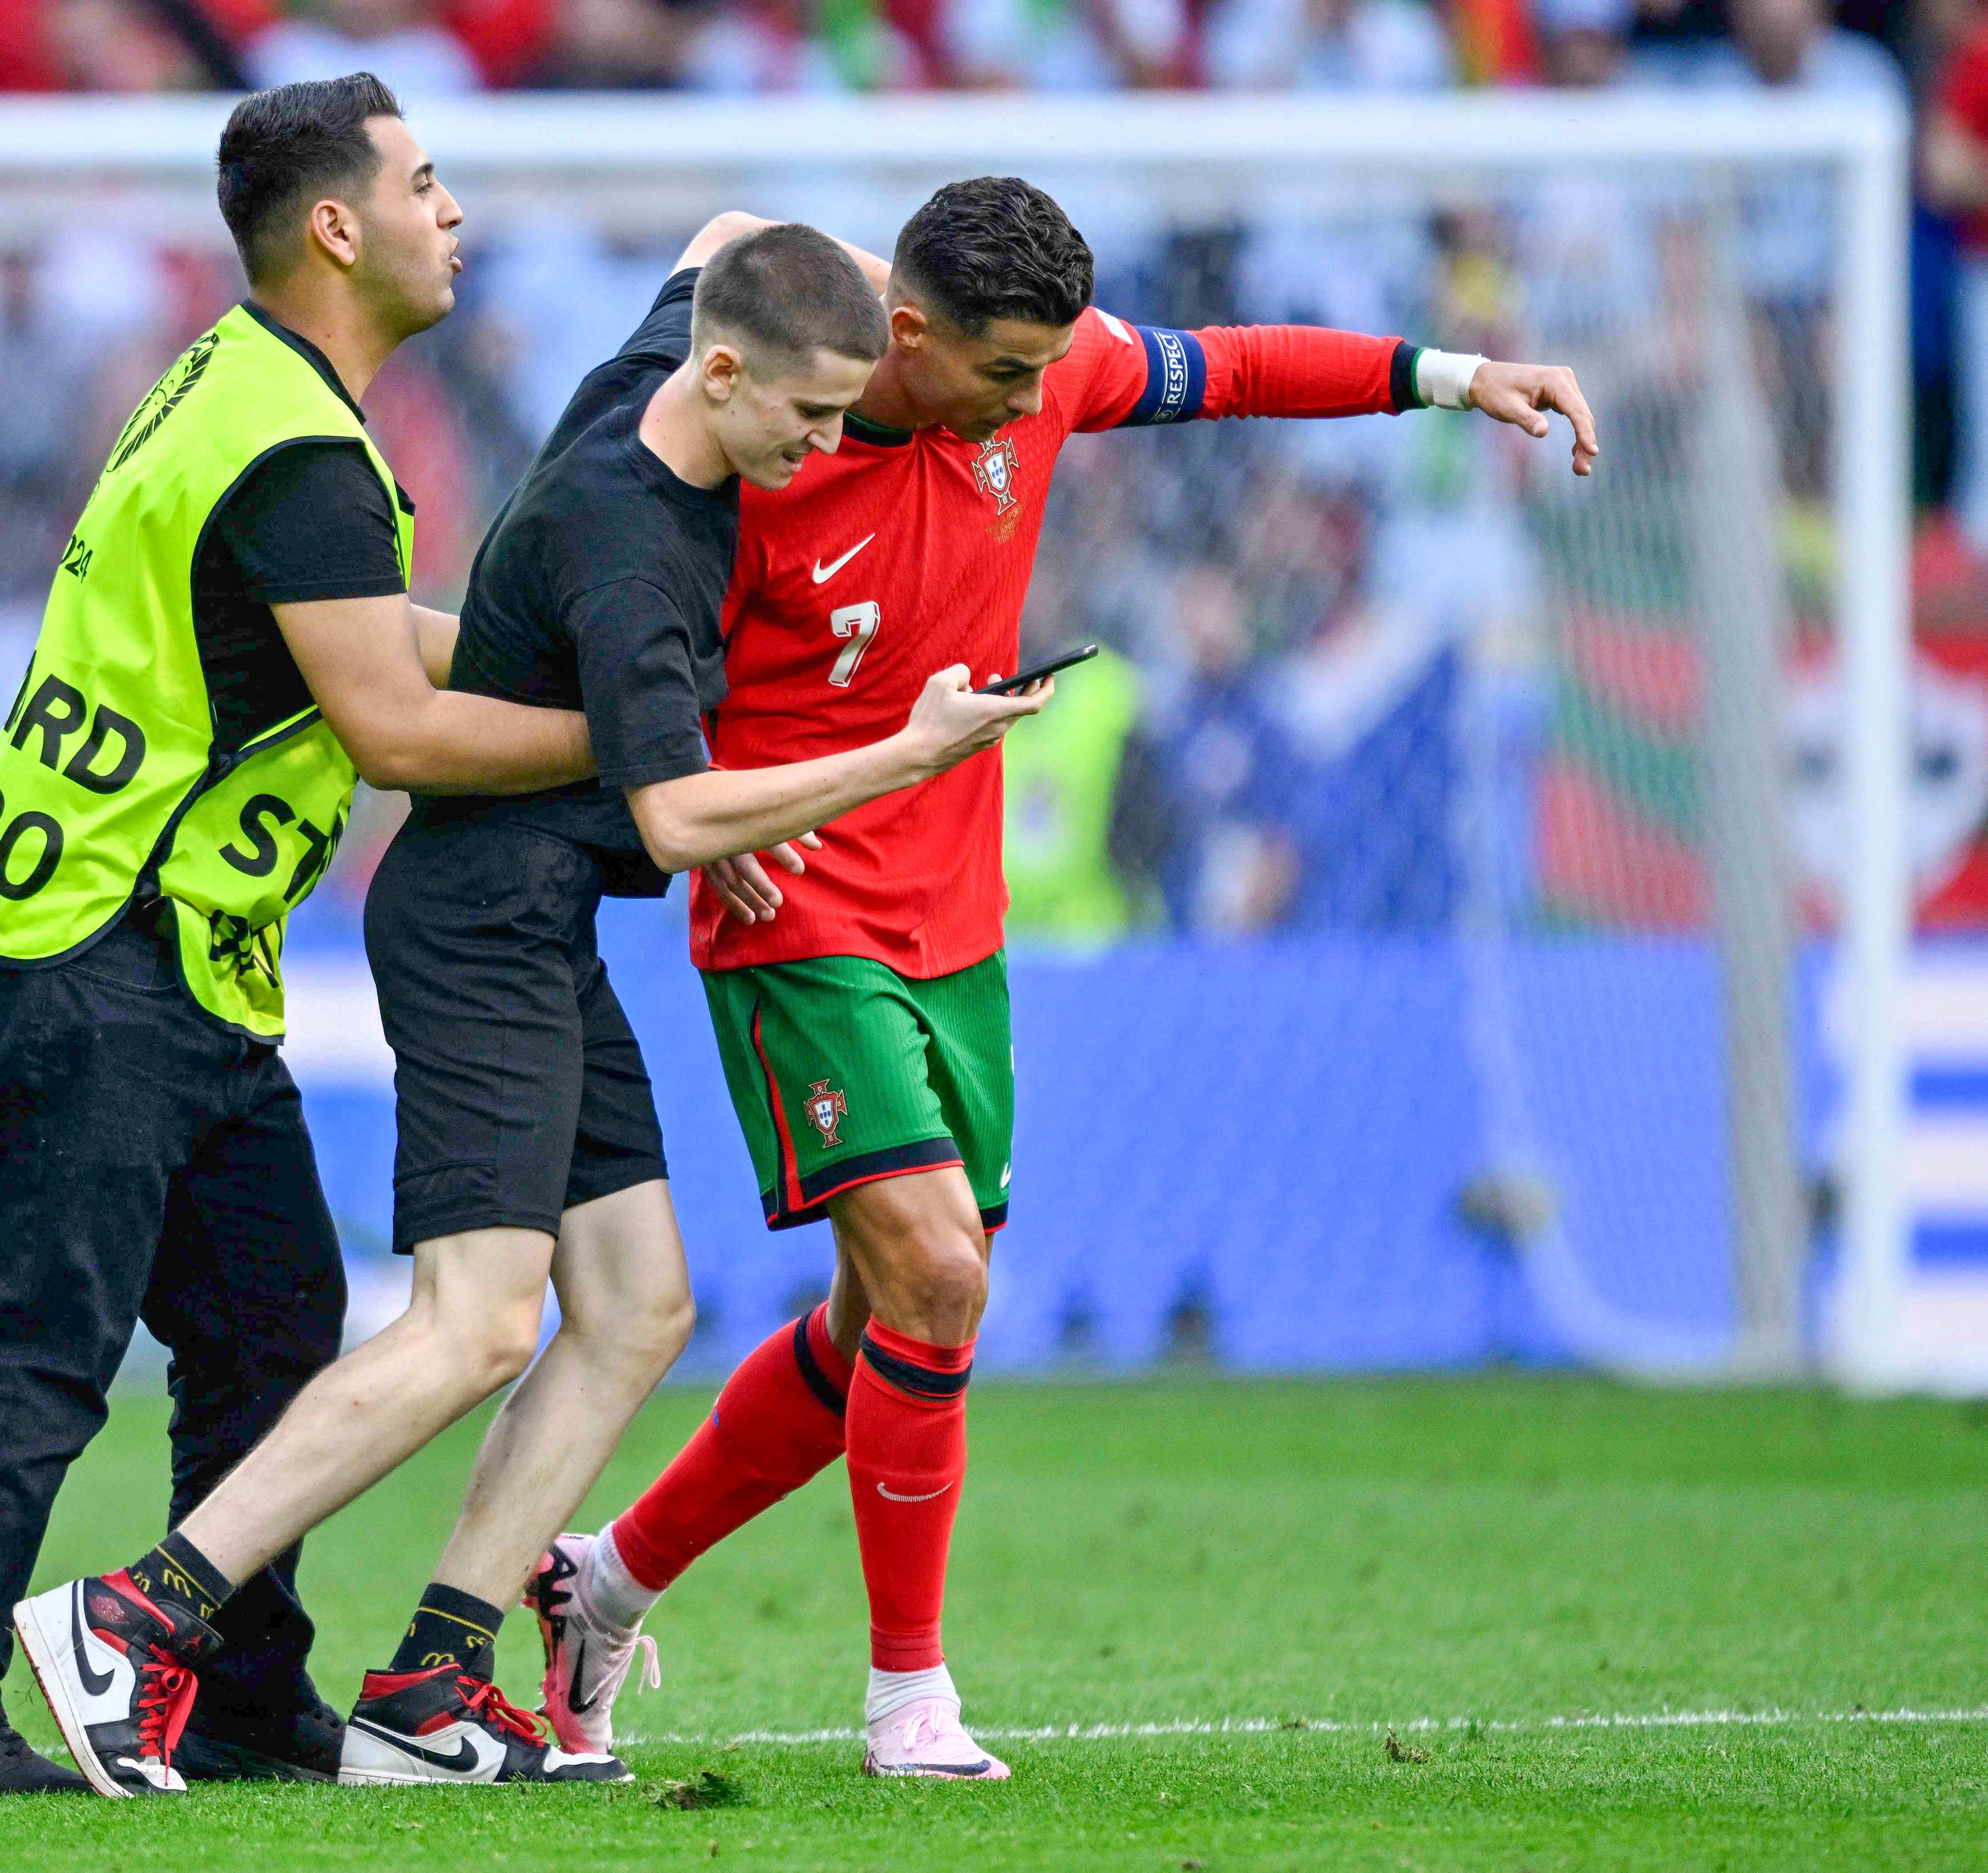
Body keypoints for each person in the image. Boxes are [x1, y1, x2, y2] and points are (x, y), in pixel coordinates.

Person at [531, 174, 1599, 1779]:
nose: (1038, 399)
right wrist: (698, 793)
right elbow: (627, 627)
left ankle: (603, 1583)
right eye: (1006, 372)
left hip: (953, 914)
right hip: (794, 908)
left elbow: (1229, 368)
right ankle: (908, 1697)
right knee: (941, 1279)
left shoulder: (1040, 375)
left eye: (1047, 368)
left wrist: (1452, 375)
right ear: (904, 333)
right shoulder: (752, 449)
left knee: (882, 1320)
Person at [12, 217, 1042, 1792]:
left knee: (634, 1308)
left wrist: (876, 284)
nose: (831, 446)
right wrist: (906, 752)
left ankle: (429, 1683)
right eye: (812, 415)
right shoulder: (637, 555)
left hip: (539, 922)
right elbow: (676, 819)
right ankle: (135, 1617)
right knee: (478, 1324)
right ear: (725, 374)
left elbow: (724, 234)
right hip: (481, 929)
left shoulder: (658, 372)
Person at [0, 73, 597, 1801]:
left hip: (143, 941)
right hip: (91, 939)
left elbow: (359, 631)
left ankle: (240, 1697)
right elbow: (391, 728)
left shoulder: (237, 385)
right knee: (33, 1345)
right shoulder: (303, 450)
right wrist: (634, 749)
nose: (452, 213)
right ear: (339, 226)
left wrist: (567, 677)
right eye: (425, 183)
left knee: (267, 1323)